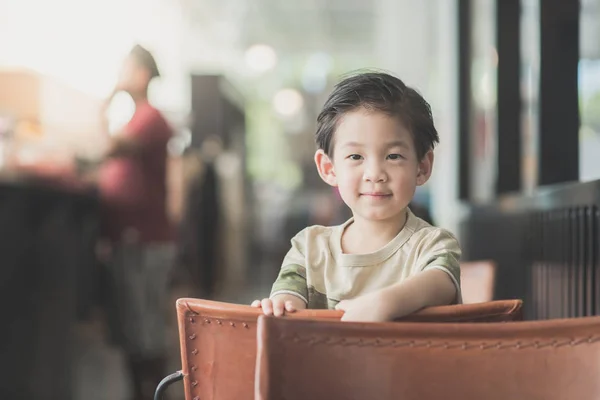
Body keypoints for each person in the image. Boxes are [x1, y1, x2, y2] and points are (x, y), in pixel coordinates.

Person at [251, 71, 461, 322]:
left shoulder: (433, 245)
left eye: (393, 156)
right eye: (356, 157)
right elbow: (288, 302)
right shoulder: (309, 248)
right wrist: (278, 308)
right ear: (329, 168)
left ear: (422, 166)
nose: (375, 174)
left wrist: (385, 302)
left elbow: (440, 281)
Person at [97, 44, 174, 400]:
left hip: (144, 237)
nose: (120, 74)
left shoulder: (150, 118)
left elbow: (111, 147)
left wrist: (106, 100)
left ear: (141, 74)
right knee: (132, 325)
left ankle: (156, 394)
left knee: (144, 325)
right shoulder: (137, 118)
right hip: (131, 237)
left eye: (126, 68)